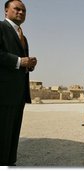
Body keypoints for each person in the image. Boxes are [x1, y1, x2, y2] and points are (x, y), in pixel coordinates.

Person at [0, 0, 37, 166]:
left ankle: (9, 162)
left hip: (18, 93)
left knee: (13, 132)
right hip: (3, 91)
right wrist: (19, 61)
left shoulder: (23, 36)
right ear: (6, 10)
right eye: (17, 9)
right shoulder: (1, 28)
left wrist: (29, 65)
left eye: (24, 10)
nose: (21, 12)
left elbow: (22, 64)